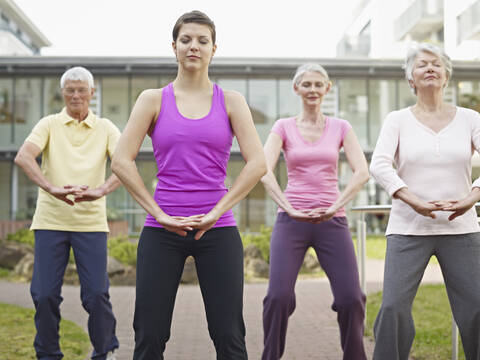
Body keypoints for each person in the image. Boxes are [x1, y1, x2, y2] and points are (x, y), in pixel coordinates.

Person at [111, 10, 266, 360]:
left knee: (229, 335)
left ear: (214, 49)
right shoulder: (152, 99)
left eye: (202, 40)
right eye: (186, 40)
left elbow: (258, 163)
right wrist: (159, 214)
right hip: (162, 231)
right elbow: (121, 160)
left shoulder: (231, 101)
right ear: (174, 47)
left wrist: (216, 212)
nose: (193, 46)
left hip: (218, 230)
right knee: (149, 335)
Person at [370, 42, 480, 360]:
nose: (429, 68)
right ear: (410, 79)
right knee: (392, 307)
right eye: (421, 65)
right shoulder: (397, 120)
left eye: (436, 64)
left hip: (461, 228)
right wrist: (411, 199)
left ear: (446, 76)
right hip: (407, 227)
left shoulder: (470, 119)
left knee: (475, 307)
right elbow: (379, 164)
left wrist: (472, 197)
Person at [261, 63, 370, 360]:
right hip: (291, 222)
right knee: (278, 297)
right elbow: (262, 169)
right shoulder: (283, 127)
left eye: (318, 84)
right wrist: (287, 206)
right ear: (296, 89)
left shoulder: (341, 127)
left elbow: (362, 172)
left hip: (332, 221)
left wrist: (336, 205)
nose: (312, 90)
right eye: (306, 84)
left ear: (327, 88)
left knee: (351, 298)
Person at [14, 66, 121, 360]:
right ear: (63, 93)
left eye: (81, 89)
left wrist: (101, 190)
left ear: (92, 93)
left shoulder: (106, 128)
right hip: (51, 221)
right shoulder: (49, 124)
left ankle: (104, 351)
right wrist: (51, 187)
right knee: (44, 294)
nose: (76, 95)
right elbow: (24, 156)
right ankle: (48, 354)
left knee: (97, 294)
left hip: (91, 223)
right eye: (70, 90)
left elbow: (125, 164)